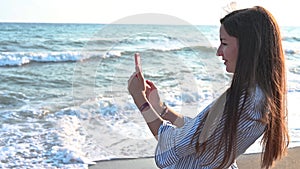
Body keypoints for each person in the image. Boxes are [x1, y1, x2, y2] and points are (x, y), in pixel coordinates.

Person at [127, 6, 289, 169]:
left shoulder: (243, 100)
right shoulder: (261, 97)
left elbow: (173, 144)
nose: (219, 52)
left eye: (224, 43)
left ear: (248, 47)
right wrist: (162, 109)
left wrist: (139, 99)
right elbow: (202, 132)